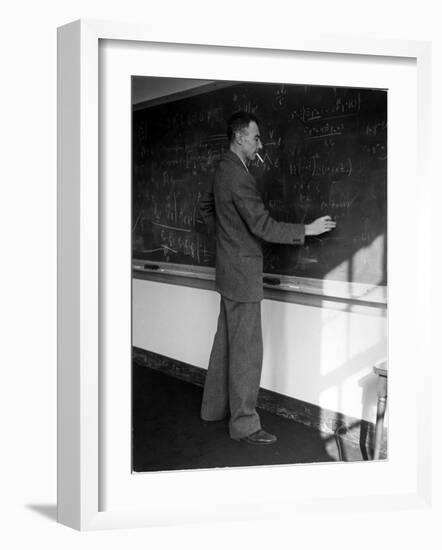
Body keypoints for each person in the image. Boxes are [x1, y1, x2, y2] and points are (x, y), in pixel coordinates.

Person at [199, 111, 336, 445]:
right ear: (240, 137)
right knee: (247, 353)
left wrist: (228, 241)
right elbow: (263, 226)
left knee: (225, 345)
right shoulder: (239, 176)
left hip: (228, 272)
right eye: (256, 137)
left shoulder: (221, 169)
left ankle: (213, 409)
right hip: (243, 275)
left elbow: (206, 208)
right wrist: (307, 229)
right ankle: (244, 424)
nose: (260, 143)